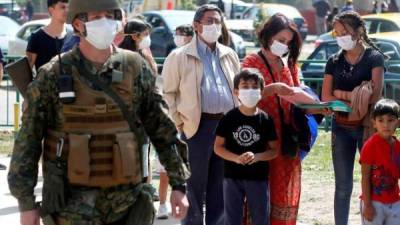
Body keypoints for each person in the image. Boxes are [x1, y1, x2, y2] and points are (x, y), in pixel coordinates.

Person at [7, 0, 190, 225]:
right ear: (78, 24)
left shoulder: (135, 67)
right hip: (71, 209)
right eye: (96, 17)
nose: (105, 22)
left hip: (128, 206)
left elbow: (162, 128)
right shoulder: (53, 74)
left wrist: (179, 185)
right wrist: (26, 204)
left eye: (110, 15)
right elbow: (28, 141)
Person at [241, 13, 329, 225]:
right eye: (281, 40)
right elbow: (244, 96)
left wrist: (318, 107)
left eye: (288, 42)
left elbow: (295, 96)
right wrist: (272, 89)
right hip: (259, 139)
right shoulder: (252, 61)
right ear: (268, 36)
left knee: (283, 195)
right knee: (257, 196)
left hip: (287, 141)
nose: (284, 45)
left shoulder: (288, 65)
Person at [162, 4, 240, 225]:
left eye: (218, 21)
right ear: (196, 26)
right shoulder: (179, 56)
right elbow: (168, 95)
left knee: (221, 186)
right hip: (196, 128)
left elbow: (237, 89)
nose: (214, 25)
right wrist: (180, 124)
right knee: (193, 188)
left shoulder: (229, 54)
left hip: (226, 128)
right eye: (209, 21)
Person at [321, 11, 385, 225]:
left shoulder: (374, 57)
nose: (340, 37)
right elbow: (326, 96)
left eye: (344, 32)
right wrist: (356, 97)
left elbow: (374, 95)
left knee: (373, 180)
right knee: (342, 186)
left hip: (367, 127)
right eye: (336, 33)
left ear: (358, 32)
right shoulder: (333, 60)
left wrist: (342, 95)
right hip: (341, 127)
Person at [214, 70, 278, 225]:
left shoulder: (266, 119)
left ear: (261, 92)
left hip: (258, 177)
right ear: (236, 91)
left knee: (260, 218)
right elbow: (218, 147)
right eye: (245, 86)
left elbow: (274, 150)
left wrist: (257, 157)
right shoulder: (228, 118)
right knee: (232, 219)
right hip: (232, 177)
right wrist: (236, 158)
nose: (250, 90)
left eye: (254, 87)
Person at [156, 23, 194, 220]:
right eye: (176, 34)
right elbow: (167, 92)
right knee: (165, 167)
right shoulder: (174, 57)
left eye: (180, 34)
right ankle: (162, 204)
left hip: (190, 124)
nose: (177, 37)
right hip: (174, 122)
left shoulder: (195, 57)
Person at [359, 99, 400, 225]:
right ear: (374, 123)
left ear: (398, 122)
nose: (386, 125)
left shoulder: (398, 146)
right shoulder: (370, 146)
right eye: (381, 120)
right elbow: (365, 177)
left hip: (395, 201)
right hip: (374, 202)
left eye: (390, 120)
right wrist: (367, 205)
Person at [26, 0, 68, 71]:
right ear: (51, 10)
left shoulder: (72, 35)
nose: (67, 10)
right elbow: (26, 72)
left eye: (68, 7)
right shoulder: (37, 37)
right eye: (63, 7)